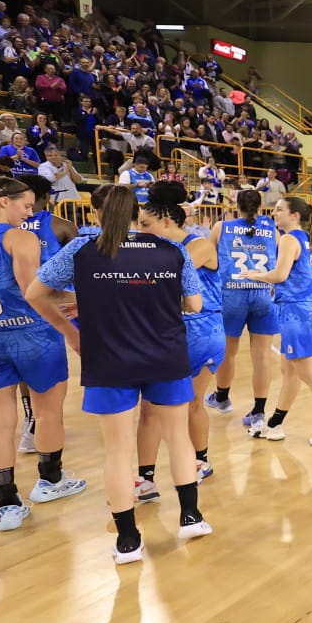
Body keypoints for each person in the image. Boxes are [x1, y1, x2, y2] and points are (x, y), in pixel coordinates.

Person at [27, 184, 211, 565]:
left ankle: (128, 539)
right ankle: (191, 516)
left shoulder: (81, 250)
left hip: (109, 359)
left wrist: (77, 319)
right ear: (137, 214)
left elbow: (35, 293)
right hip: (166, 354)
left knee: (118, 450)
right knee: (178, 438)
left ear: (97, 213)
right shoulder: (171, 249)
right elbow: (195, 303)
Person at [0, 177, 81, 533]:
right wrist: (73, 327)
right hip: (32, 335)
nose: (29, 213)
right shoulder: (19, 238)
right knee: (48, 410)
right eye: (25, 206)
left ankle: (6, 502)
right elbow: (34, 295)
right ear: (3, 201)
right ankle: (50, 481)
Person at [236, 196, 312, 446]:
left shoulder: (290, 239)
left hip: (296, 312)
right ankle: (274, 424)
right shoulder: (308, 241)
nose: (274, 213)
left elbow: (280, 275)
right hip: (304, 310)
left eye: (279, 210)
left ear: (295, 216)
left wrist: (254, 275)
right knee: (289, 371)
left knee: (309, 373)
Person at [133, 181, 223, 498]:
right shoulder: (153, 247)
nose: (140, 231)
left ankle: (200, 461)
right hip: (165, 331)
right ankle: (145, 478)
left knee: (190, 403)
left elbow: (162, 277)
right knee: (150, 408)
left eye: (145, 224)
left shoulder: (200, 246)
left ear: (167, 221)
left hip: (202, 331)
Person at [208, 190, 278, 429]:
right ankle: (259, 411)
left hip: (231, 293)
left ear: (236, 205)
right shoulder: (272, 230)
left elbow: (208, 261)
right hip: (262, 294)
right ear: (260, 207)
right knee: (262, 356)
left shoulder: (221, 227)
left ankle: (222, 397)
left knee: (228, 352)